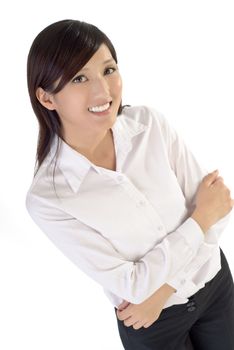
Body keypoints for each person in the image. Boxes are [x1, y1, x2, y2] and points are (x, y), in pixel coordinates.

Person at [25, 19, 234, 349]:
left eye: (109, 70)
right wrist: (200, 219)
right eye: (79, 78)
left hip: (213, 287)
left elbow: (219, 207)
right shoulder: (50, 197)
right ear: (47, 98)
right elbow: (133, 285)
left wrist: (161, 291)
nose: (103, 92)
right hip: (153, 323)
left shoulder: (149, 124)